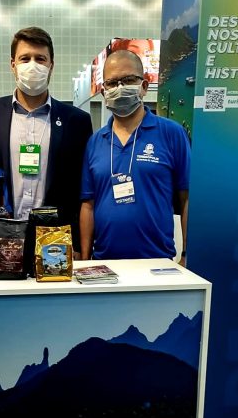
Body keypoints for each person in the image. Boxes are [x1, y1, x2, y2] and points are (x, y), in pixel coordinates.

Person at [0, 26, 93, 251]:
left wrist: (79, 246)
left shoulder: (76, 121)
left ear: (51, 66)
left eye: (40, 59)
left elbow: (80, 188)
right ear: (13, 65)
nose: (32, 65)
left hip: (55, 240)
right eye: (25, 58)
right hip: (1, 236)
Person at [80, 50, 190, 265]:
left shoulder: (171, 133)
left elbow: (187, 198)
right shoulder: (95, 142)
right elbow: (88, 205)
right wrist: (85, 260)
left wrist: (187, 254)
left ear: (144, 86)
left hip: (157, 262)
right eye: (112, 83)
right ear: (103, 92)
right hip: (104, 264)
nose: (120, 88)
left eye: (129, 80)